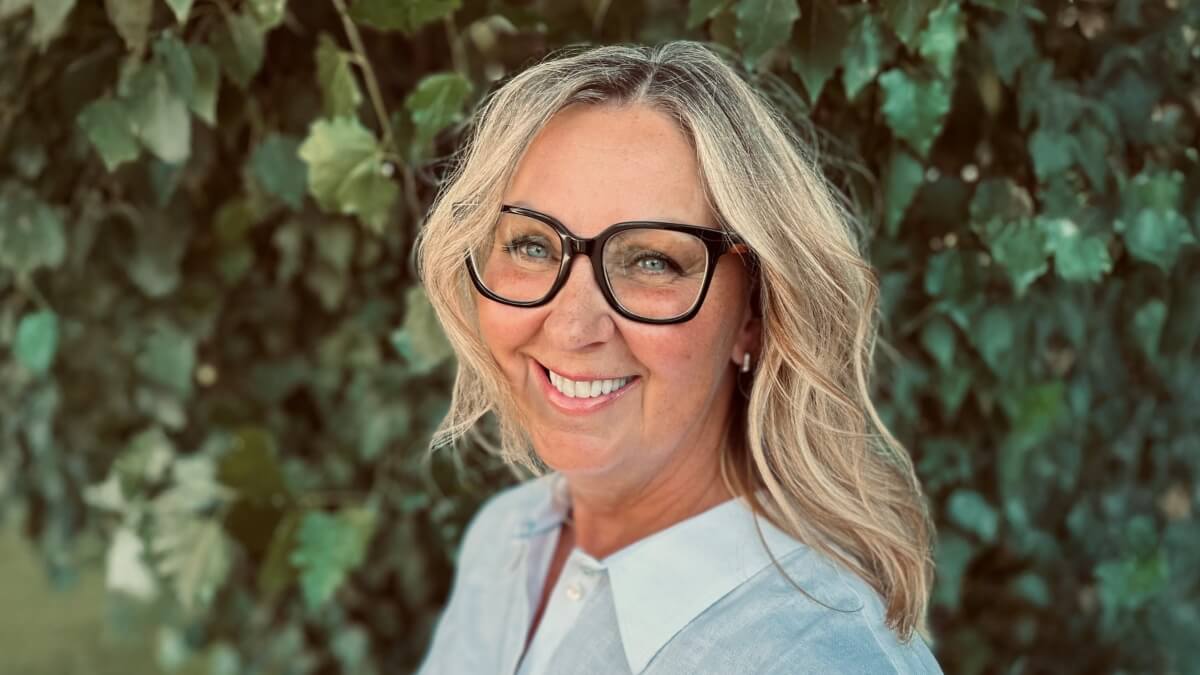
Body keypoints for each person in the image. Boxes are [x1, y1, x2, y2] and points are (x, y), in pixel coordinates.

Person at [412, 40, 943, 674]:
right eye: (531, 245)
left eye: (652, 261)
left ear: (755, 313)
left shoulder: (823, 659)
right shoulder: (505, 541)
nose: (574, 325)